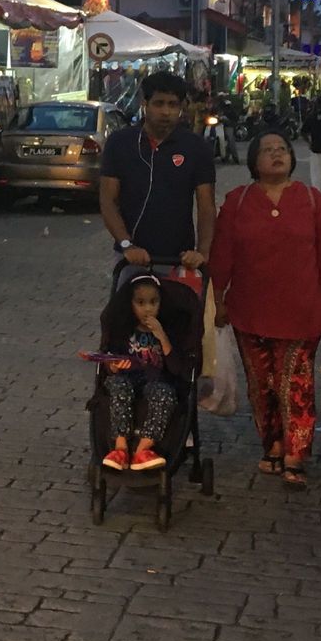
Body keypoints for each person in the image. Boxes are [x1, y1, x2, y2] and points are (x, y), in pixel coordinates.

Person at [208, 132, 321, 489]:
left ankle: (295, 453)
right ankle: (272, 443)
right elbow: (222, 253)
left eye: (282, 150)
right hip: (249, 311)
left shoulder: (311, 200)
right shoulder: (238, 202)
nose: (277, 155)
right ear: (254, 161)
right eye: (268, 150)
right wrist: (218, 298)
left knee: (296, 384)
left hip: (301, 311)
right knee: (262, 385)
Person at [99, 70, 215, 270]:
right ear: (145, 104)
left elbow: (206, 206)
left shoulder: (196, 147)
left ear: (181, 107)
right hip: (131, 258)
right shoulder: (120, 143)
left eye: (173, 105)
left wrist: (202, 253)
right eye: (159, 103)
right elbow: (108, 200)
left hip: (180, 259)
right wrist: (127, 244)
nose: (166, 112)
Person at [99, 271, 177, 473]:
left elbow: (176, 364)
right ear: (131, 304)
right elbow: (111, 357)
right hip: (127, 376)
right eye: (141, 303)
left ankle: (144, 448)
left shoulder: (168, 329)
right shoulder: (124, 329)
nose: (148, 309)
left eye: (153, 302)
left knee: (164, 394)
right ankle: (121, 447)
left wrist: (162, 336)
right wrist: (113, 366)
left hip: (155, 379)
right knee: (118, 386)